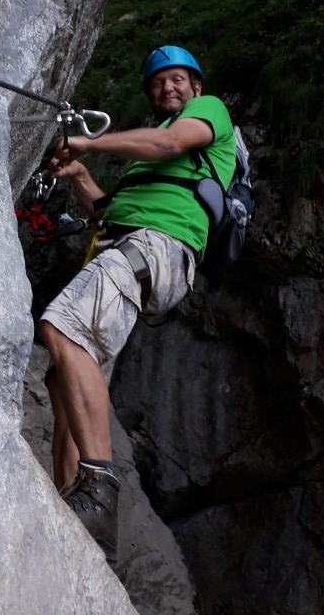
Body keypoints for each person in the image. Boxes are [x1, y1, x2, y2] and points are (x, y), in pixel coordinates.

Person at [38, 46, 235, 564]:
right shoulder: (147, 166)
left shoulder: (209, 111)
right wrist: (80, 175)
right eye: (157, 83)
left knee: (63, 329)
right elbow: (108, 210)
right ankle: (79, 520)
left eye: (176, 80)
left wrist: (87, 139)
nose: (167, 88)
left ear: (195, 85)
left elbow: (170, 141)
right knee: (66, 378)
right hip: (132, 243)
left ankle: (99, 489)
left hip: (157, 246)